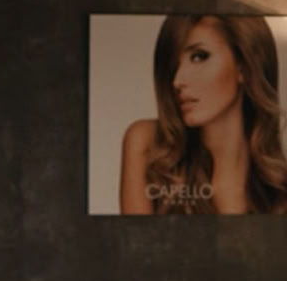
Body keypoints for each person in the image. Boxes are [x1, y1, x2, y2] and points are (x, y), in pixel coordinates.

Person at [120, 14, 287, 214]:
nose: (177, 81)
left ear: (244, 66)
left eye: (199, 57)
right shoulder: (148, 145)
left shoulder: (278, 187)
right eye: (173, 65)